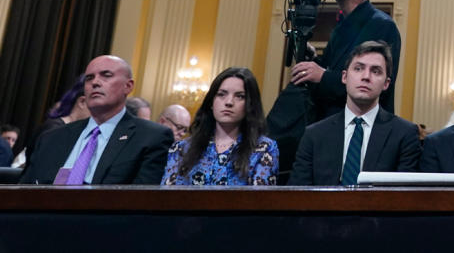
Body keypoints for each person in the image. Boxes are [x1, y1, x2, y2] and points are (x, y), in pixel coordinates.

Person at [20, 55, 172, 184]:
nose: (95, 82)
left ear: (128, 86)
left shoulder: (151, 138)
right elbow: (24, 192)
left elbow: (142, 201)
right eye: (89, 78)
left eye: (106, 75)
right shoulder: (51, 138)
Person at [290, 41, 421, 185]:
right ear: (344, 77)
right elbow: (298, 194)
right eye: (358, 68)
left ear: (386, 84)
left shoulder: (404, 134)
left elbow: (405, 197)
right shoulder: (314, 135)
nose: (366, 76)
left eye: (376, 71)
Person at [289, 0, 401, 122]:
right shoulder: (342, 26)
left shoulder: (381, 24)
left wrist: (322, 76)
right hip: (332, 123)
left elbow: (371, 83)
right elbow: (336, 68)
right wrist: (314, 59)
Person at [162, 67, 278, 186]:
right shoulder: (181, 148)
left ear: (250, 104)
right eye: (221, 94)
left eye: (239, 96)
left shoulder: (264, 148)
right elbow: (166, 199)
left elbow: (261, 201)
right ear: (211, 102)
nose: (229, 102)